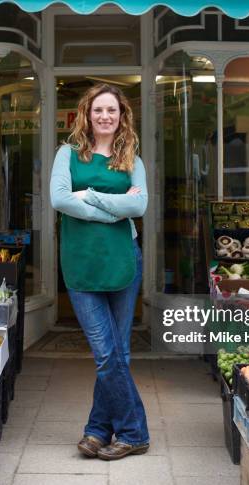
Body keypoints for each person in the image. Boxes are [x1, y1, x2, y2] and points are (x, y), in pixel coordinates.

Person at [50, 84, 149, 461]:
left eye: (112, 110)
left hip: (124, 260)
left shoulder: (131, 158)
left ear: (122, 115)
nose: (105, 117)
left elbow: (139, 206)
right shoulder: (68, 154)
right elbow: (59, 199)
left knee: (117, 352)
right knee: (107, 354)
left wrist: (89, 197)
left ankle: (96, 430)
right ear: (86, 115)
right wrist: (114, 208)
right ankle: (134, 431)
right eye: (98, 111)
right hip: (81, 263)